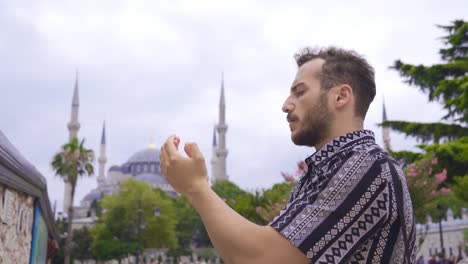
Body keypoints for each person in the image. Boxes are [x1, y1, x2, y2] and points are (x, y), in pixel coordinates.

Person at [160, 47, 416, 263]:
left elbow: (263, 258)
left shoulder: (367, 166)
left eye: (300, 91)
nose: (286, 105)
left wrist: (196, 188)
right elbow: (244, 254)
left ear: (341, 96)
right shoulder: (326, 172)